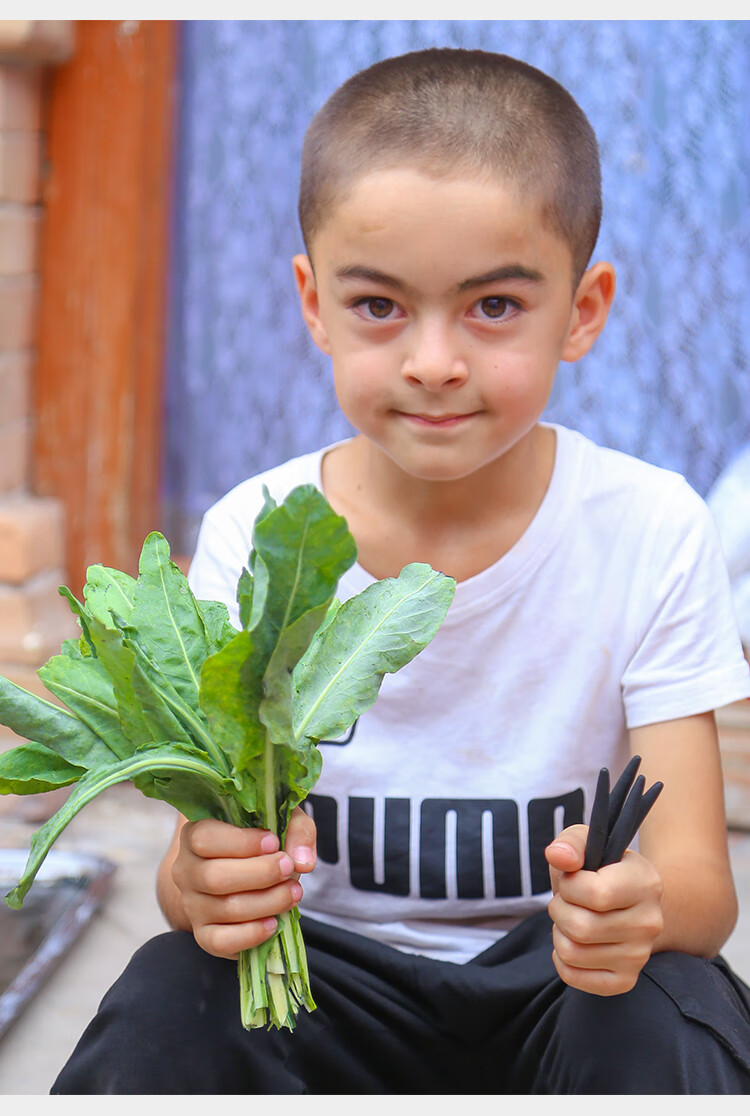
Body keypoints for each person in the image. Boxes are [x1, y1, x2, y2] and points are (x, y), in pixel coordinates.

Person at [53, 47, 750, 1094]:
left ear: (585, 309)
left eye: (495, 307)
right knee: (167, 997)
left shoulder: (649, 526)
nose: (434, 361)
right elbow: (193, 873)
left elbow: (700, 886)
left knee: (671, 1010)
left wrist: (635, 908)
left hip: (558, 986)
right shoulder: (257, 533)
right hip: (324, 987)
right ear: (313, 303)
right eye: (380, 306)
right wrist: (206, 886)